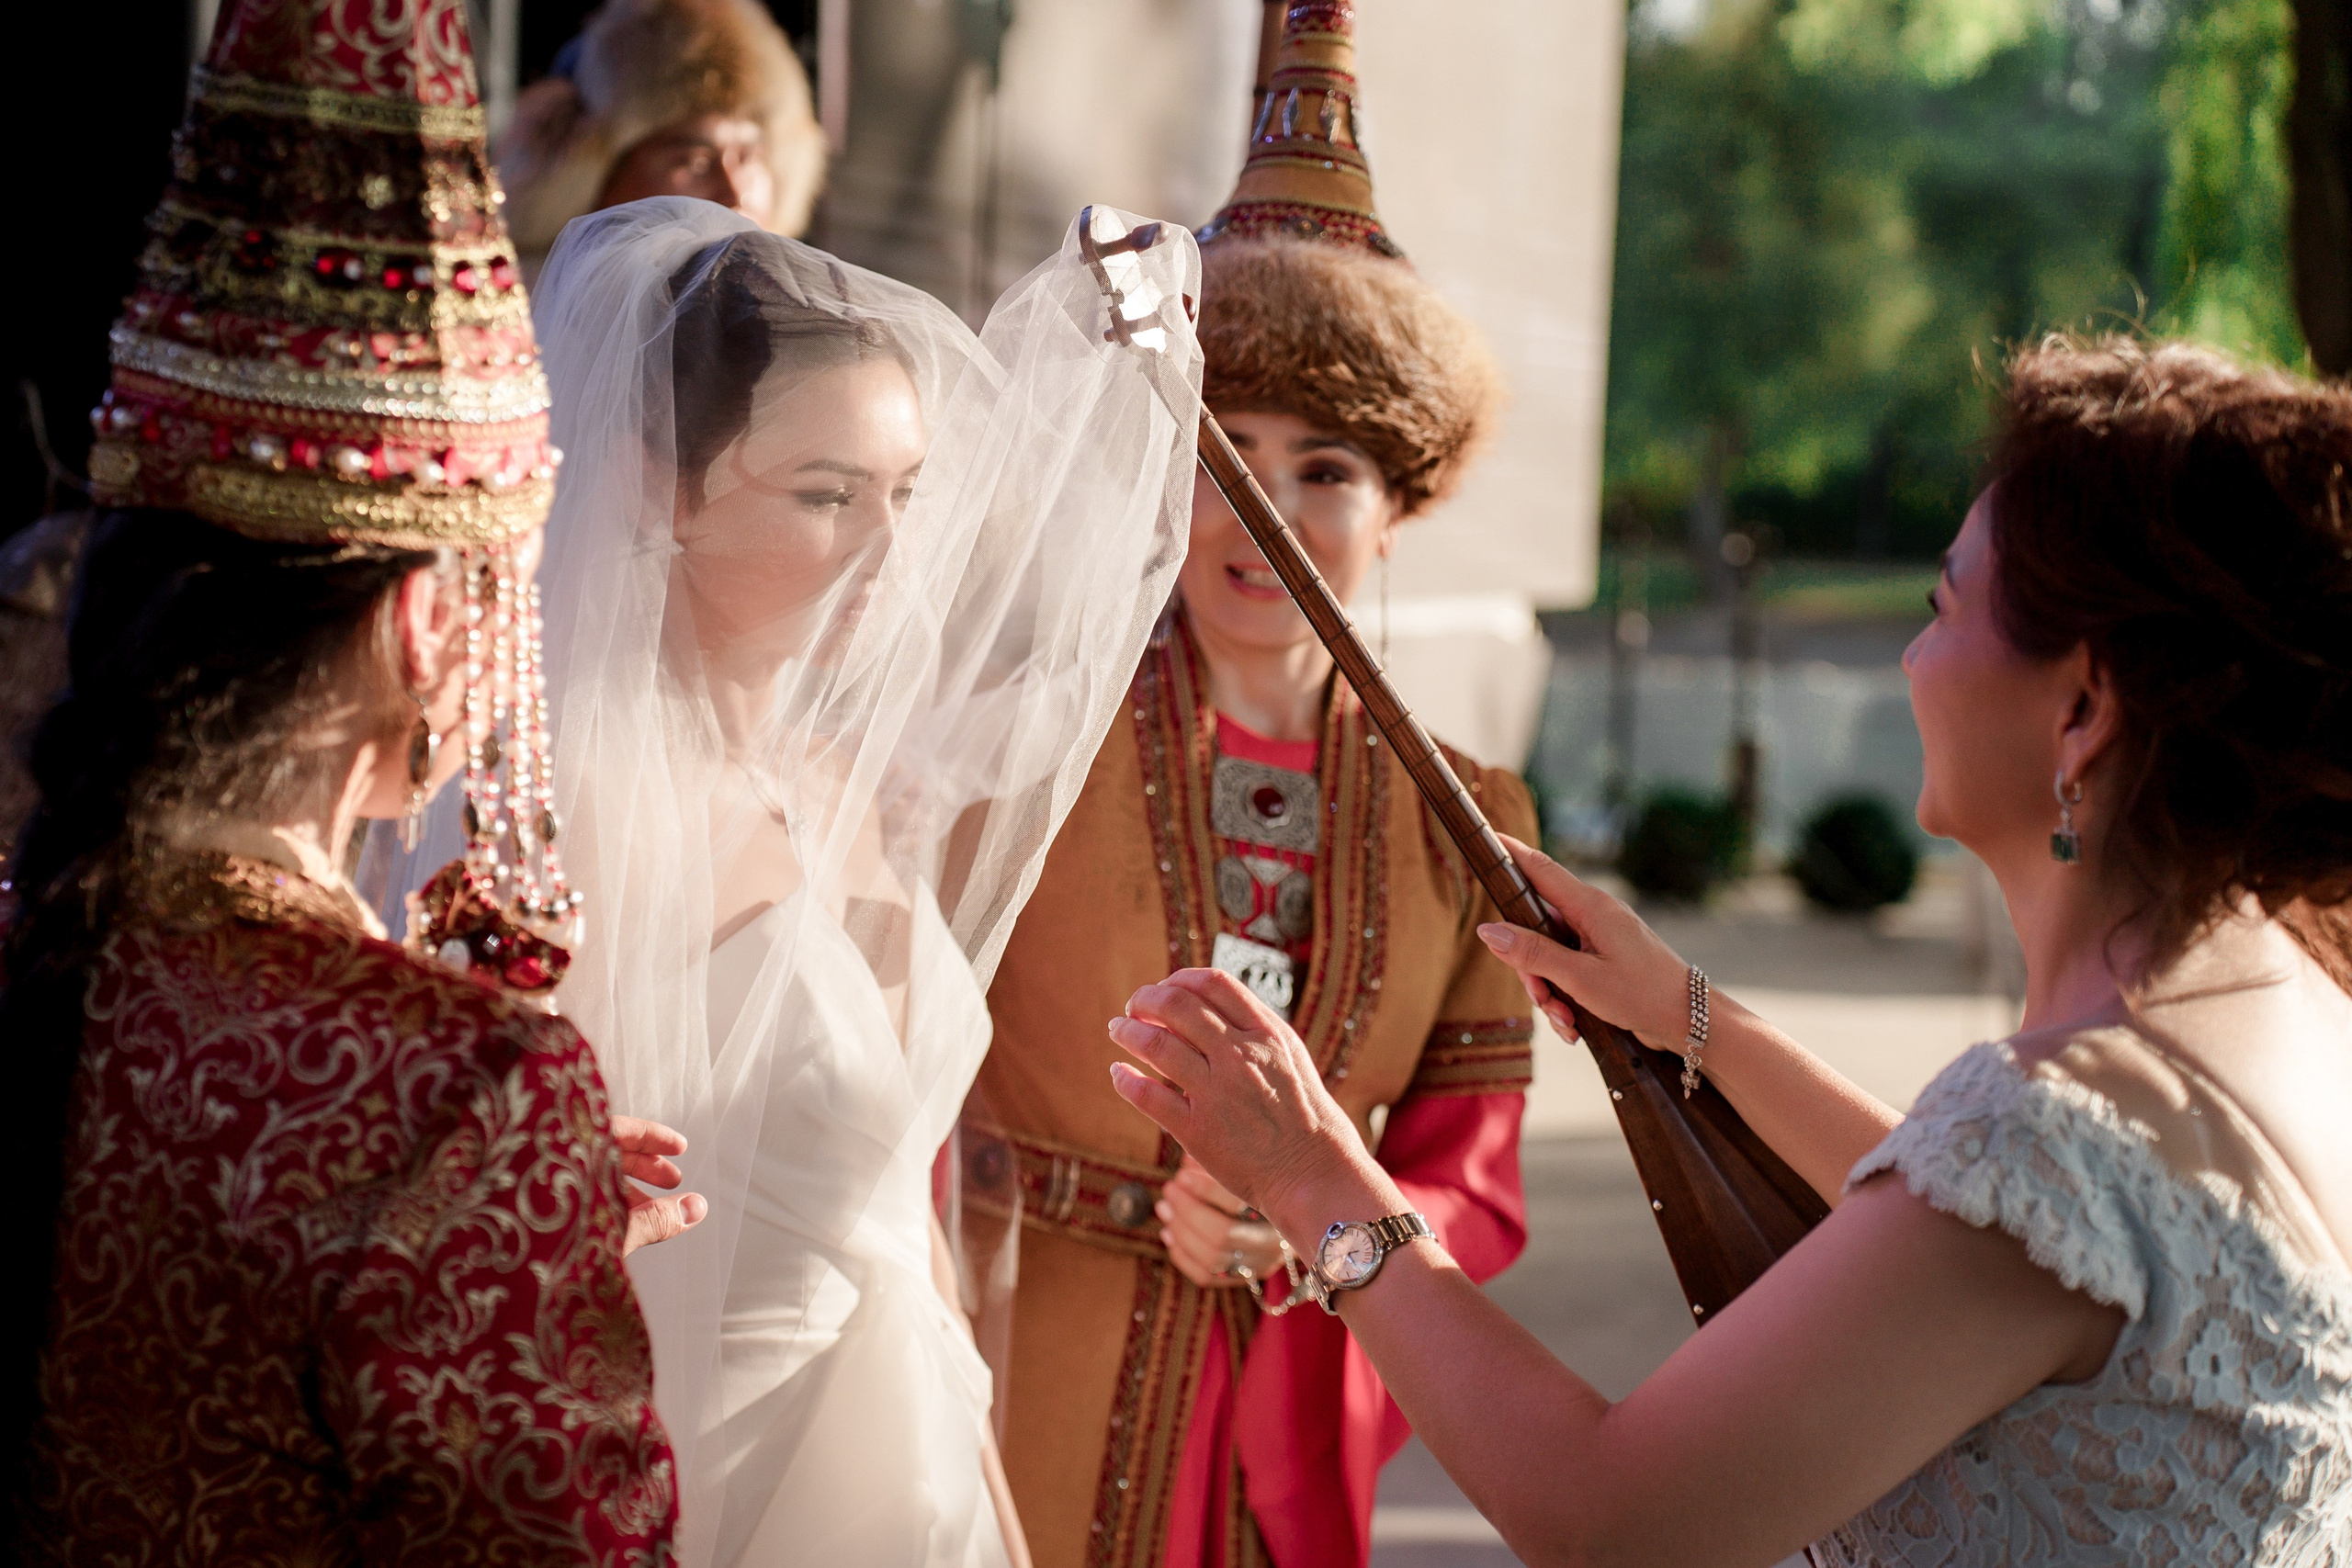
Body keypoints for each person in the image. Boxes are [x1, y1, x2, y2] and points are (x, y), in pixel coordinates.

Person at [1109, 336, 2352, 1567]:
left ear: (2079, 713)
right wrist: (1687, 1011)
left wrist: (1314, 1175)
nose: (1912, 655)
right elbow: (1999, 1222)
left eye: (1942, 607)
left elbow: (1604, 1522)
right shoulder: (2287, 999)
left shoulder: (2051, 1135)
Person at [10, 1, 696, 1558]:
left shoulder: (44, 942)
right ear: (426, 618)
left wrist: (509, 1236)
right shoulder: (460, 1091)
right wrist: (503, 1230)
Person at [527, 196, 1204, 1568]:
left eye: (906, 493)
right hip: (705, 1471)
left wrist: (991, 1499)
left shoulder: (833, 780)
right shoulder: (582, 805)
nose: (891, 551)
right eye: (828, 494)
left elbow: (904, 1214)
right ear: (655, 483)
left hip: (919, 1457)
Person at [964, 6, 1532, 1564]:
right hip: (1009, 1375)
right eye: (1229, 455)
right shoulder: (1025, 742)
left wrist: (1312, 1230)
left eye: (1325, 470)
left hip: (1287, 1415)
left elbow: (1475, 1182)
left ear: (1398, 508)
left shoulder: (1469, 821)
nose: (1261, 513)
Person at [500, 0, 826, 282]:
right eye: (696, 162)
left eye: (748, 158)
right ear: (594, 177)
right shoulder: (518, 322)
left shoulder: (802, 319)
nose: (735, 193)